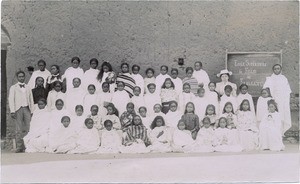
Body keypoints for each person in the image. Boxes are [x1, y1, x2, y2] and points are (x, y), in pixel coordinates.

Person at [263, 64, 292, 135]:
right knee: (274, 115)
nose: (276, 70)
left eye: (278, 68)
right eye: (275, 69)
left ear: (280, 69)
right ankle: (273, 132)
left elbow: (287, 90)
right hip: (274, 99)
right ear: (273, 70)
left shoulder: (284, 78)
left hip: (282, 100)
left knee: (282, 115)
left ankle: (281, 132)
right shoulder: (270, 78)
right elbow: (266, 88)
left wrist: (285, 98)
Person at [9, 71, 33, 153]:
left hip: (26, 108)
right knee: (18, 129)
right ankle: (19, 147)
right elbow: (11, 100)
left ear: (24, 77)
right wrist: (12, 111)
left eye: (23, 76)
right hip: (18, 109)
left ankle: (28, 146)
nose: (21, 78)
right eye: (20, 76)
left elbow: (31, 99)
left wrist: (32, 110)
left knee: (28, 127)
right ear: (17, 77)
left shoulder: (28, 87)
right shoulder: (13, 87)